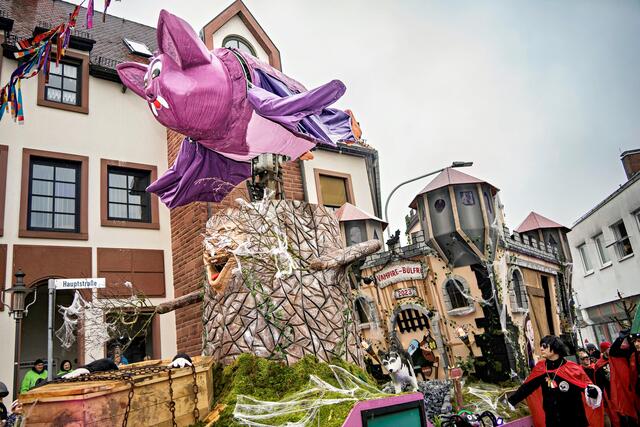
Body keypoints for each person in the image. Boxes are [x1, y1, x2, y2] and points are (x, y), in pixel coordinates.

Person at [508, 335, 603, 427]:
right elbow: (527, 387)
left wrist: (593, 392)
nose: (541, 348)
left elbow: (586, 386)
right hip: (553, 420)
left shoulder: (572, 368)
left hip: (574, 419)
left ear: (555, 348)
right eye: (541, 346)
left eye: (544, 346)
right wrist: (511, 401)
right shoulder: (541, 368)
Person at [609, 331, 640, 427]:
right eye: (634, 341)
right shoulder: (631, 351)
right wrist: (620, 338)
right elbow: (613, 352)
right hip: (637, 391)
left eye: (639, 341)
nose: (636, 344)